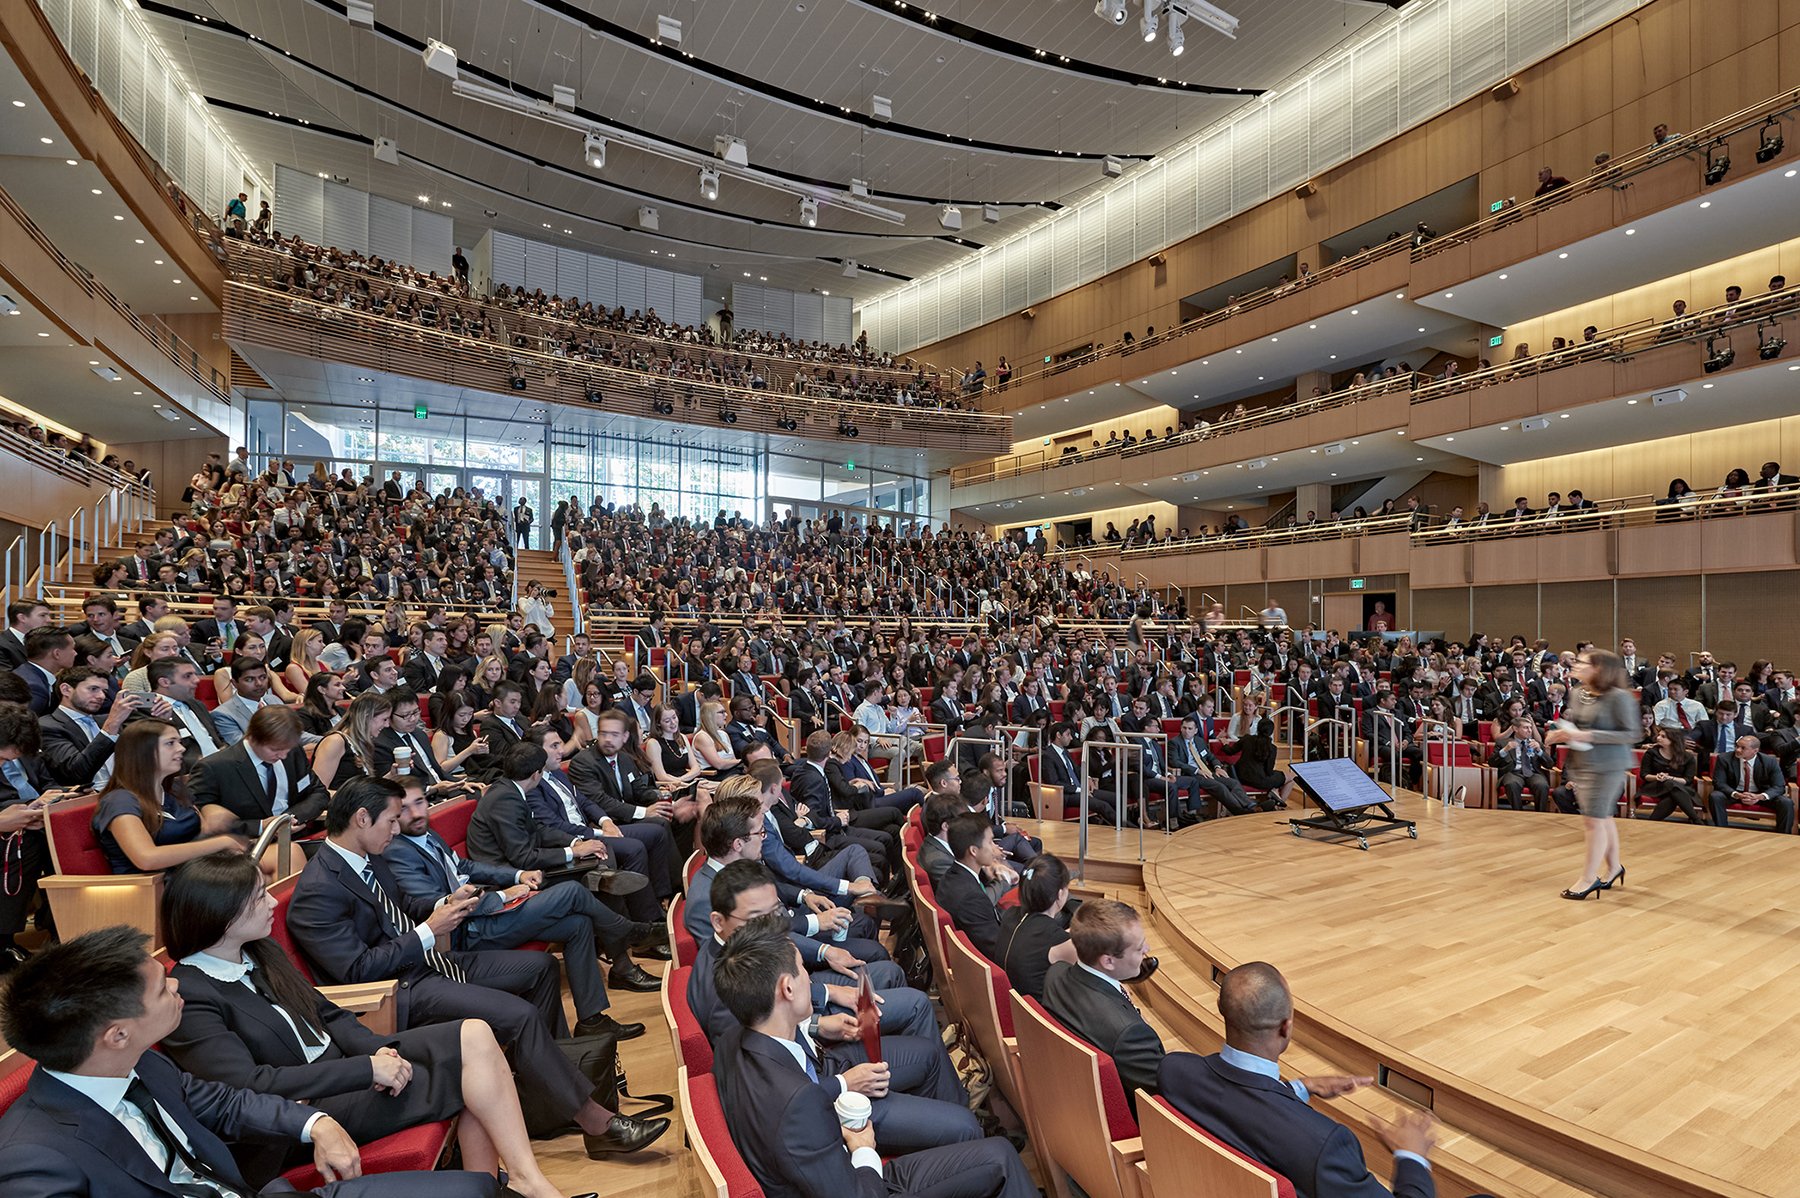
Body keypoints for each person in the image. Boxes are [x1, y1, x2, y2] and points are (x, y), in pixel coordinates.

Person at [157, 853, 585, 1198]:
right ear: (221, 915)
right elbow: (251, 1085)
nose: (272, 903)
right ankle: (518, 1186)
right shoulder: (192, 992)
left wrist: (375, 1051)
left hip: (345, 1073)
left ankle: (521, 1182)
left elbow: (327, 1014)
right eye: (257, 898)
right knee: (467, 1078)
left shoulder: (259, 953)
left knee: (473, 1032)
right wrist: (366, 1070)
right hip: (297, 1114)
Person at [283, 776, 667, 1153]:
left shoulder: (369, 858)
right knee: (519, 1015)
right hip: (397, 991)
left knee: (541, 969)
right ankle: (595, 1123)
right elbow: (357, 971)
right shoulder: (319, 890)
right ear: (362, 819)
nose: (397, 828)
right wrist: (428, 932)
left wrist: (447, 904)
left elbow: (405, 906)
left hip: (428, 963)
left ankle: (552, 1095)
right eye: (391, 820)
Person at [0, 926, 512, 1198]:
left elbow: (225, 1102)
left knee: (473, 1188)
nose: (176, 983)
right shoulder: (34, 1158)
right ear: (116, 1034)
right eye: (160, 988)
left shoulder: (142, 1068)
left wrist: (315, 1120)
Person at [708, 917, 1039, 1198]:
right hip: (859, 1178)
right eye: (802, 970)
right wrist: (863, 1145)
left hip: (818, 1135)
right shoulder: (797, 1103)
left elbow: (796, 1093)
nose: (810, 978)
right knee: (1001, 1157)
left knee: (927, 1060)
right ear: (787, 989)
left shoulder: (734, 1039)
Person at [690, 868, 972, 1152]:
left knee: (929, 1054)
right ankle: (951, 1138)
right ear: (718, 921)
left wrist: (817, 1025)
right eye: (756, 919)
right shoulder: (724, 992)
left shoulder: (746, 954)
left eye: (775, 913)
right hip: (820, 1101)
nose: (772, 928)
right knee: (964, 1127)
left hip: (818, 1061)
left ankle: (944, 1136)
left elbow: (774, 1027)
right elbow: (773, 1088)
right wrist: (842, 1084)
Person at [381, 769, 660, 1023]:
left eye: (419, 803)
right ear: (392, 814)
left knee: (578, 925)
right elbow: (439, 904)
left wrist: (518, 876)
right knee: (572, 892)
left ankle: (593, 1021)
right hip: (468, 930)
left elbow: (463, 867)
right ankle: (627, 931)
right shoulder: (398, 851)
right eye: (404, 809)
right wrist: (504, 895)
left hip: (487, 911)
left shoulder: (427, 834)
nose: (416, 813)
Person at [1158, 961, 1438, 1198]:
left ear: (1222, 1009)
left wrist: (1298, 1088)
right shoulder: (1324, 1145)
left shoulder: (1174, 1071)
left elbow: (1241, 1111)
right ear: (1286, 1027)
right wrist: (1411, 1156)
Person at [1041, 899, 1164, 1111]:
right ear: (1108, 961)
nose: (1147, 949)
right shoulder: (1129, 1034)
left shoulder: (1055, 974)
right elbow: (1161, 1095)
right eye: (1138, 948)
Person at [94, 720, 248, 874]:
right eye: (170, 743)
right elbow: (147, 858)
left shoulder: (173, 790)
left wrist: (210, 815)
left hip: (195, 871)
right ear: (142, 751)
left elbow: (201, 832)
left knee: (267, 859)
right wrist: (221, 843)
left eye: (179, 742)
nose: (181, 748)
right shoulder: (119, 801)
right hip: (155, 886)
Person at [1545, 649, 1639, 899]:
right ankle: (1615, 867)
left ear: (1599, 668)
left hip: (1609, 765)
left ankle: (1588, 878)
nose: (1576, 665)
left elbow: (1632, 734)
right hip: (1583, 762)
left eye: (1584, 662)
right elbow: (1579, 727)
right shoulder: (1578, 693)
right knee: (1602, 817)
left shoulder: (1619, 697)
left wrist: (1585, 735)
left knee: (1593, 820)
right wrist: (1561, 732)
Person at [995, 853, 1079, 1002]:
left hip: (1011, 1003)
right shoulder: (1056, 939)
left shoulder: (1010, 915)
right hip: (1039, 1016)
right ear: (1060, 895)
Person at [1709, 733, 1795, 832]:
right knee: (1715, 796)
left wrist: (1759, 797)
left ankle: (1783, 835)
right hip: (1735, 793)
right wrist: (1737, 795)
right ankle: (1721, 830)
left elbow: (1779, 786)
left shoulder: (1769, 761)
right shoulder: (1724, 758)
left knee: (1786, 802)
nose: (1738, 750)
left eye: (1743, 748)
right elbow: (1719, 782)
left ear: (1755, 751)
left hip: (1760, 794)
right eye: (1737, 746)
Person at [1636, 724, 1702, 823]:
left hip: (1680, 788)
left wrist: (1670, 778)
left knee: (1672, 794)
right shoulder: (1651, 753)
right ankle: (1696, 819)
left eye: (1663, 736)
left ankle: (1651, 822)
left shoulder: (1688, 757)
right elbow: (1644, 775)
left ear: (1673, 740)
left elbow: (1687, 780)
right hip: (1655, 786)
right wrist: (1657, 777)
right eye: (1658, 735)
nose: (1658, 738)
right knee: (1671, 785)